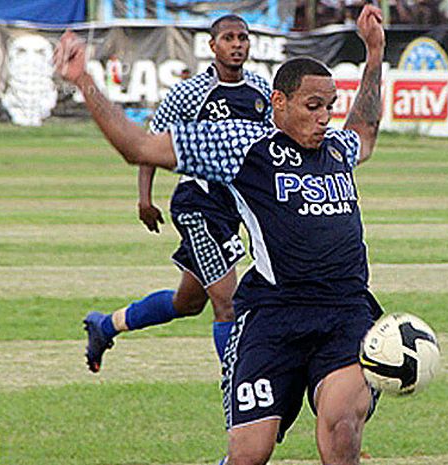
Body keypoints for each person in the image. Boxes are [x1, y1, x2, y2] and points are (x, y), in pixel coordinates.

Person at [55, 3, 384, 463]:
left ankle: (110, 324)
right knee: (250, 453)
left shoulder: (337, 146)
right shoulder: (240, 145)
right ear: (280, 103)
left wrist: (374, 54)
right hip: (273, 315)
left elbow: (365, 130)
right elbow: (140, 146)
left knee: (342, 427)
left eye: (329, 107)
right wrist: (84, 81)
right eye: (313, 107)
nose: (325, 117)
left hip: (344, 313)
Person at [82, 15, 272, 373]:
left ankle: (104, 326)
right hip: (198, 204)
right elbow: (150, 143)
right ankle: (239, 387)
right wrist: (144, 199)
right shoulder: (189, 93)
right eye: (228, 38)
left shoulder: (262, 91)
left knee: (187, 302)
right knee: (227, 304)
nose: (237, 44)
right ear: (212, 46)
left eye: (243, 38)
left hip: (233, 210)